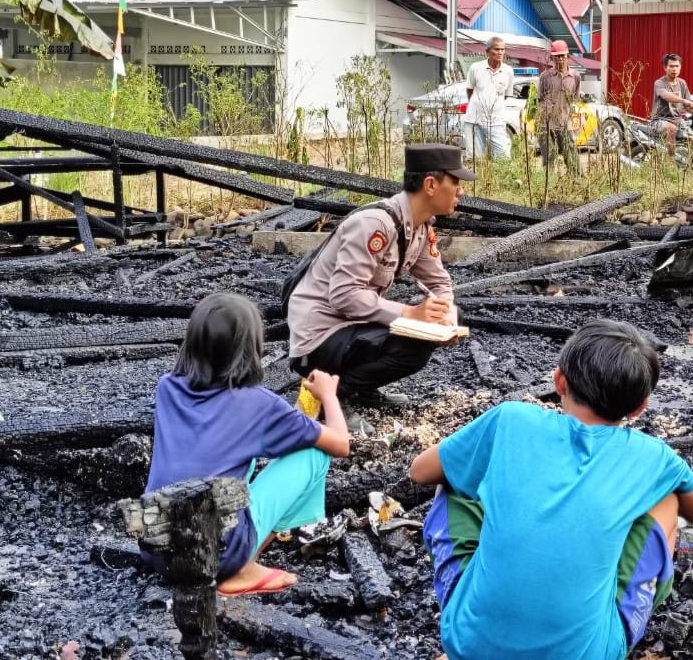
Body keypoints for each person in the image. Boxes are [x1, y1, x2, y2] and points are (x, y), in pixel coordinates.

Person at [409, 319, 693, 660]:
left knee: (452, 480)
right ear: (639, 408)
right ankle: (629, 611)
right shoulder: (654, 456)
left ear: (559, 380)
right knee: (666, 500)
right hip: (590, 654)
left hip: (469, 645)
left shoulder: (510, 419)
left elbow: (420, 471)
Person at [144, 293, 351, 597]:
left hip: (155, 549)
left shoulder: (167, 387)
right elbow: (340, 444)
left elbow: (219, 439)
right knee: (314, 454)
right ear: (251, 349)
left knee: (241, 460)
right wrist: (329, 395)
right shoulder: (258, 404)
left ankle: (231, 558)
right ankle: (242, 568)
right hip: (216, 554)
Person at [287, 144, 473, 427]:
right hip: (319, 334)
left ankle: (359, 388)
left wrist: (446, 314)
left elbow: (438, 282)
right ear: (431, 184)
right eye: (456, 182)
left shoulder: (420, 227)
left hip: (350, 326)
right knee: (413, 346)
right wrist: (410, 313)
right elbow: (343, 296)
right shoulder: (375, 224)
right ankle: (331, 397)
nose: (461, 191)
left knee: (432, 331)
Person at [463, 37, 515, 160]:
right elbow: (469, 89)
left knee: (503, 158)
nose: (500, 52)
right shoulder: (475, 68)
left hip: (496, 121)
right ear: (487, 51)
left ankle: (497, 180)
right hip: (475, 120)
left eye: (502, 49)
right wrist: (479, 105)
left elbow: (506, 95)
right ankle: (479, 180)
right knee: (476, 160)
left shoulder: (508, 71)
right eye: (496, 49)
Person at [536, 39, 581, 175]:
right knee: (549, 158)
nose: (560, 60)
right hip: (545, 124)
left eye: (563, 56)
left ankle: (577, 181)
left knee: (570, 155)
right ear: (552, 58)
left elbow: (575, 100)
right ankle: (548, 186)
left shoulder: (575, 76)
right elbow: (540, 99)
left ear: (567, 56)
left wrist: (575, 125)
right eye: (557, 57)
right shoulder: (545, 77)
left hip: (564, 123)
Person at [651, 53, 693, 154]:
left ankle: (690, 165)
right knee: (671, 129)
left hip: (677, 120)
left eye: (677, 66)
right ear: (665, 67)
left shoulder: (682, 83)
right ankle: (671, 163)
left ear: (680, 67)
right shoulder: (659, 83)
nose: (674, 69)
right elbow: (666, 96)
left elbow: (688, 104)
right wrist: (683, 100)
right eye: (671, 66)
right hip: (659, 120)